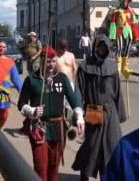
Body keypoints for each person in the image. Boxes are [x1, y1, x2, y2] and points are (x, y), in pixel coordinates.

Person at [18, 46, 84, 181]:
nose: (51, 65)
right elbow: (21, 104)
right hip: (39, 128)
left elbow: (74, 100)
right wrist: (32, 111)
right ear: (41, 60)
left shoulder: (62, 78)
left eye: (53, 61)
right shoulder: (32, 79)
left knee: (54, 169)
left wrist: (79, 117)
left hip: (58, 129)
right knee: (40, 169)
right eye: (48, 61)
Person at [72, 35, 126, 180]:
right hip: (93, 110)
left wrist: (120, 114)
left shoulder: (112, 65)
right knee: (91, 146)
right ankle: (84, 176)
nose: (101, 49)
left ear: (108, 48)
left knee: (111, 147)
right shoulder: (85, 66)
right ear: (94, 47)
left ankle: (106, 177)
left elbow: (117, 91)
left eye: (104, 47)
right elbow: (79, 90)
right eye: (99, 46)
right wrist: (78, 113)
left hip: (110, 112)